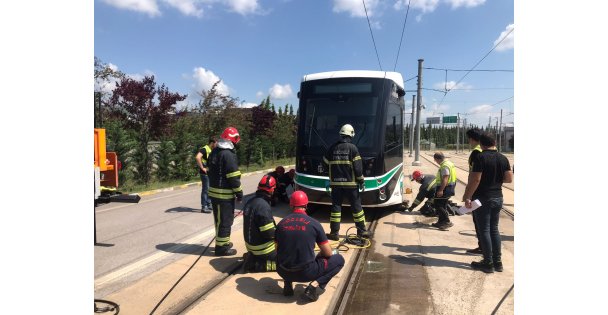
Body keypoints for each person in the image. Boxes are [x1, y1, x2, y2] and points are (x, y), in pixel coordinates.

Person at [275, 191, 345, 302]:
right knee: (339, 260)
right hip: (306, 273)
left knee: (285, 255)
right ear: (306, 205)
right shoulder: (314, 224)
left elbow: (277, 250)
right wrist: (320, 255)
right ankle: (314, 286)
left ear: (291, 205)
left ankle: (287, 285)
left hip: (283, 271)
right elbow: (328, 253)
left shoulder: (281, 224)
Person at [462, 132, 513, 273]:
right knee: (494, 229)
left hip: (482, 198)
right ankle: (498, 261)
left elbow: (475, 180)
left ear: (482, 144)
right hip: (498, 197)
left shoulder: (480, 157)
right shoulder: (503, 158)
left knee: (484, 230)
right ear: (495, 143)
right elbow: (509, 179)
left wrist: (468, 196)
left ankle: (487, 262)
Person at [322, 124, 370, 240]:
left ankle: (334, 233)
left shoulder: (331, 148)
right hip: (351, 184)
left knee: (336, 208)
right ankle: (362, 231)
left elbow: (324, 163)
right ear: (351, 135)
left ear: (340, 134)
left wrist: (331, 177)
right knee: (356, 207)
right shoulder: (353, 148)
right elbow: (358, 168)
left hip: (335, 184)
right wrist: (361, 180)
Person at [208, 126, 243, 256]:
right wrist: (239, 193)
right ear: (232, 140)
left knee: (219, 221)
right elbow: (233, 177)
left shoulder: (215, 152)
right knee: (225, 221)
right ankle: (222, 248)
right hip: (224, 196)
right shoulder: (228, 155)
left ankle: (222, 243)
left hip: (214, 194)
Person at [242, 175, 277, 272]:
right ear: (272, 190)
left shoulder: (251, 201)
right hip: (264, 250)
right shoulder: (263, 206)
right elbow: (269, 234)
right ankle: (256, 265)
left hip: (251, 246)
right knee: (288, 263)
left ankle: (253, 258)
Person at [465, 128, 483, 254]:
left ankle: (482, 246)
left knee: (479, 221)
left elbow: (474, 176)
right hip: (489, 190)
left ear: (472, 139)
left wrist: (468, 194)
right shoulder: (488, 150)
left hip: (478, 191)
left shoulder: (476, 153)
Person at [431, 152, 457, 230]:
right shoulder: (449, 163)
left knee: (438, 205)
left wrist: (441, 190)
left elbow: (445, 178)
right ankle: (441, 221)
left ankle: (447, 221)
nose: (436, 162)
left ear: (437, 159)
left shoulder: (445, 166)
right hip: (450, 187)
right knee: (443, 204)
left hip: (445, 188)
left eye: (435, 160)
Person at [195, 137, 217, 213]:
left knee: (210, 189)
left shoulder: (211, 150)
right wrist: (202, 167)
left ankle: (209, 204)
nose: (216, 145)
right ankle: (204, 207)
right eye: (216, 143)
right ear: (212, 143)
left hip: (210, 173)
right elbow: (198, 157)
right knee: (206, 189)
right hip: (205, 173)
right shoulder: (205, 149)